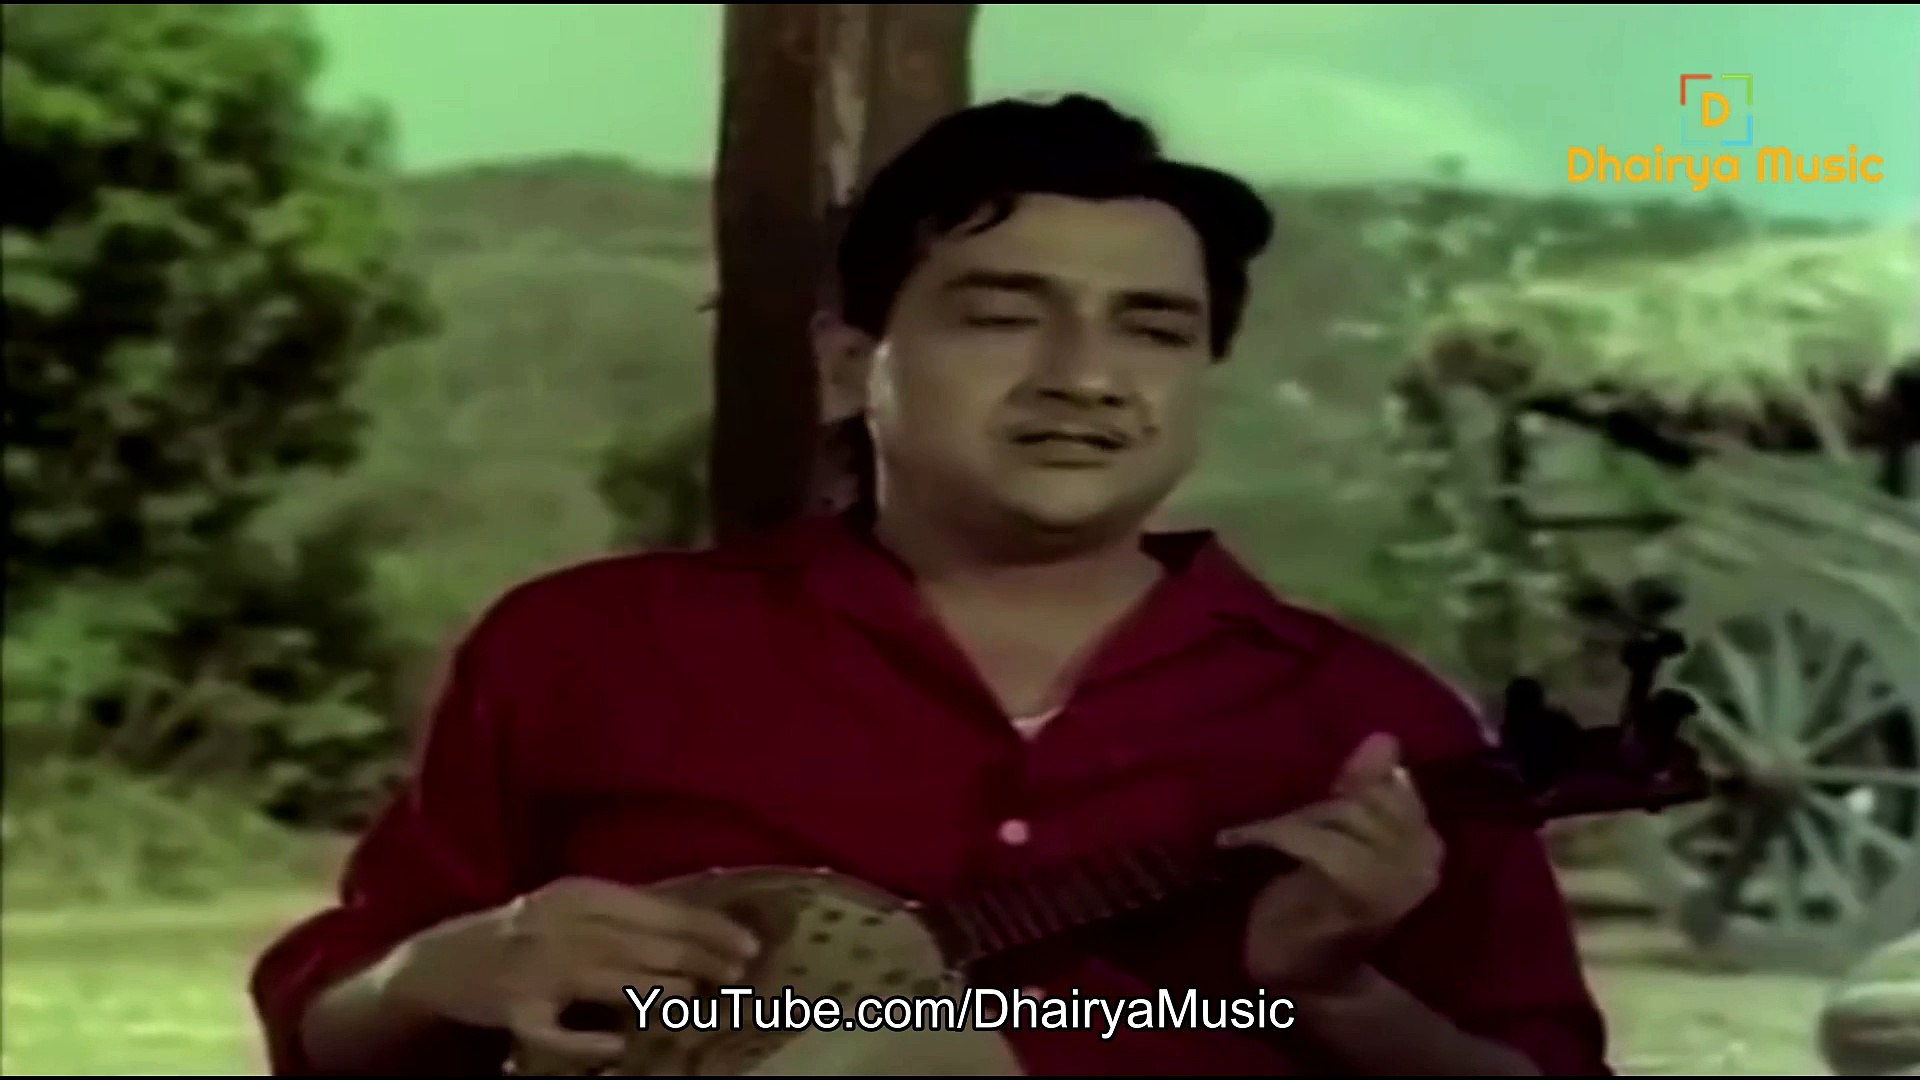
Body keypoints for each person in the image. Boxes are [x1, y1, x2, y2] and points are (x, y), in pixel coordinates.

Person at [250, 92, 1611, 1076]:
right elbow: (328, 1024)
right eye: (1006, 314)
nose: (1085, 375)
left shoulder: (1370, 726)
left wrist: (1337, 993)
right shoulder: (589, 647)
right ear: (854, 366)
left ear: (1203, 379)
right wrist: (444, 969)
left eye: (1152, 328)